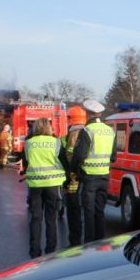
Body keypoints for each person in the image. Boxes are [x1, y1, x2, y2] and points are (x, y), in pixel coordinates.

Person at [19, 118, 66, 258]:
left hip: (35, 185)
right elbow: (64, 162)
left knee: (36, 218)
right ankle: (50, 252)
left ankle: (34, 252)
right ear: (49, 128)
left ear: (35, 127)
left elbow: (25, 163)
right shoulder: (56, 142)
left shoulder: (29, 143)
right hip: (53, 184)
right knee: (51, 219)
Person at [71, 99, 116, 243]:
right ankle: (100, 242)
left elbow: (79, 155)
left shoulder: (87, 130)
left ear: (88, 114)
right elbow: (113, 157)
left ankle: (89, 244)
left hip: (89, 177)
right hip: (104, 177)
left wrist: (73, 170)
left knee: (88, 212)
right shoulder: (110, 131)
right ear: (100, 114)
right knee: (99, 211)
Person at [63, 106, 87, 247]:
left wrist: (70, 173)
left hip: (74, 177)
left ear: (71, 118)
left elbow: (70, 154)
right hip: (88, 175)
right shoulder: (87, 131)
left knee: (73, 209)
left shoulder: (73, 133)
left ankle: (75, 242)